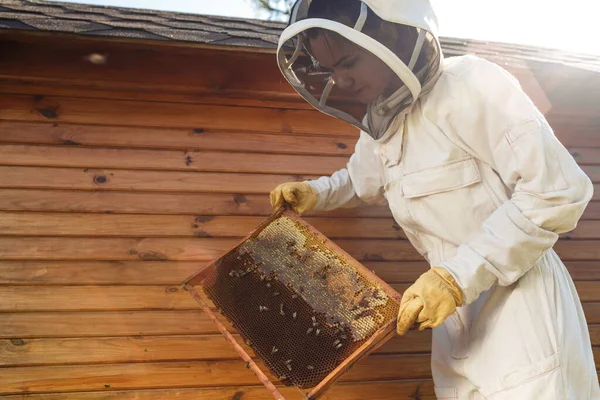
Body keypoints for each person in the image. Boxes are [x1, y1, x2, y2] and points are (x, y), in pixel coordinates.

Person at [269, 0, 600, 398]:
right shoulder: (383, 122)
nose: (339, 81)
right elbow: (361, 181)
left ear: (393, 39)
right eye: (332, 69)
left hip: (524, 317)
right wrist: (315, 193)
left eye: (350, 63)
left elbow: (557, 191)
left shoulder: (472, 84)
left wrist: (457, 277)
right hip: (451, 325)